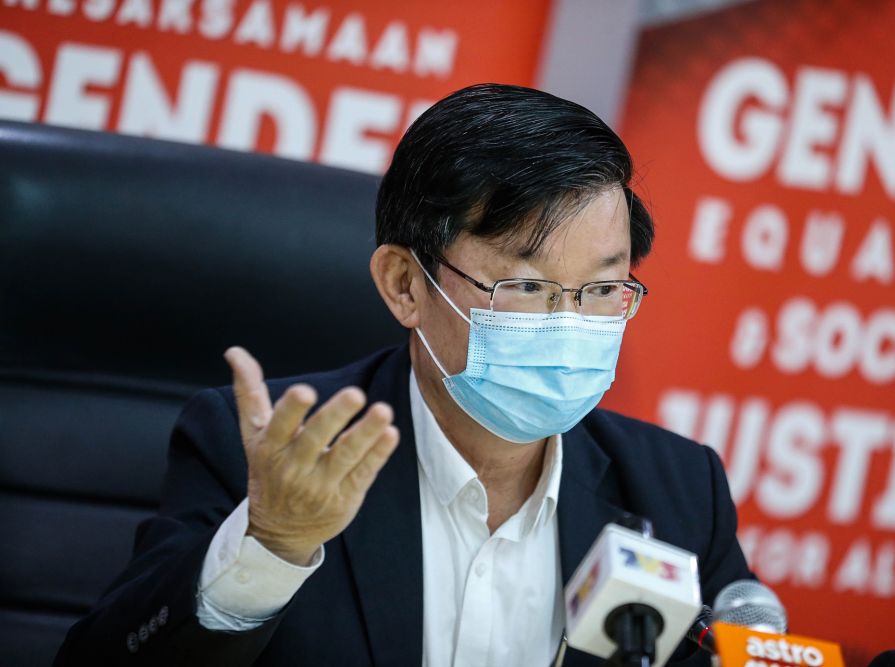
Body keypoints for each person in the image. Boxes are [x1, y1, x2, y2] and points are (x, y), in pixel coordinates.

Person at [55, 83, 751, 666]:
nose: (568, 324)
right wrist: (272, 545)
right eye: (526, 287)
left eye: (602, 291)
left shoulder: (680, 490)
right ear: (404, 284)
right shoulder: (265, 450)